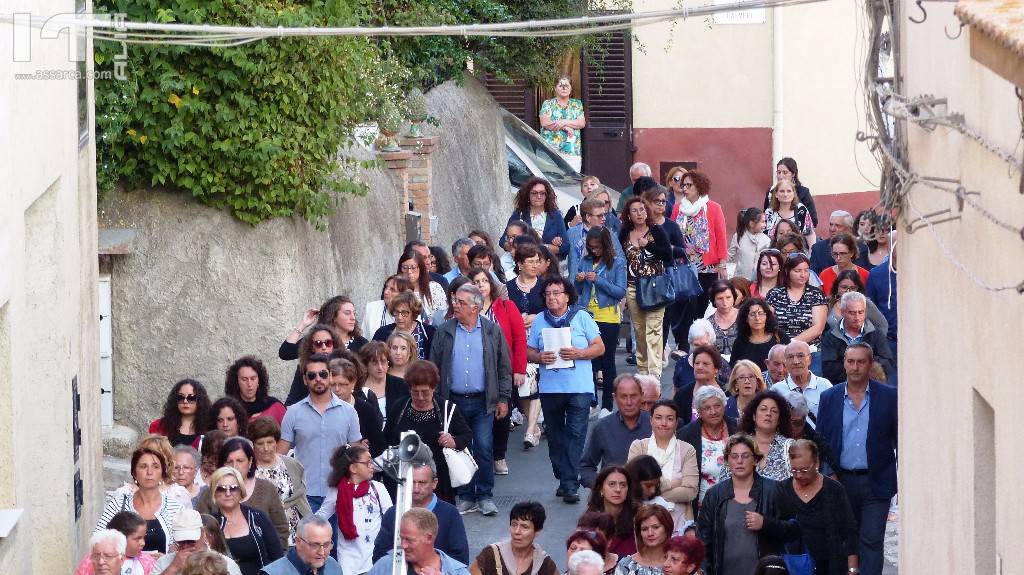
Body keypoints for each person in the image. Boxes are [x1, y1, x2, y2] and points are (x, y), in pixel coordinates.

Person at [429, 283, 513, 515]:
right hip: (452, 401)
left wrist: (503, 398)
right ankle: (465, 495)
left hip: (483, 400)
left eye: (461, 303)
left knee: (484, 447)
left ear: (476, 307)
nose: (455, 305)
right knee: (458, 448)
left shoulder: (491, 331)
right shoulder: (445, 331)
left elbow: (504, 367)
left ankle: (485, 495)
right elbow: (433, 366)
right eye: (455, 301)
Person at [816, 343, 898, 575]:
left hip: (876, 480)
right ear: (844, 364)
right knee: (844, 540)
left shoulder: (889, 397)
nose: (855, 367)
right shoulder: (829, 397)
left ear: (870, 364)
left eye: (861, 362)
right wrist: (829, 474)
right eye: (850, 362)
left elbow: (900, 438)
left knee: (871, 540)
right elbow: (821, 441)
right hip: (841, 480)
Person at [526, 276, 605, 504]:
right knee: (556, 437)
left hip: (578, 386)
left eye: (557, 293)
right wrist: (540, 357)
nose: (552, 297)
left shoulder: (581, 317)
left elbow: (599, 347)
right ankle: (565, 476)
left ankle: (570, 483)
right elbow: (529, 351)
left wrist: (579, 353)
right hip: (551, 388)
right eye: (548, 294)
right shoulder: (540, 320)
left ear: (567, 296)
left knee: (576, 433)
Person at [278, 352, 363, 547]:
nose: (318, 379)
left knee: (334, 552)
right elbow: (280, 456)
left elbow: (358, 456)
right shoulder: (293, 413)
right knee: (304, 551)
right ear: (305, 380)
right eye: (312, 375)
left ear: (331, 376)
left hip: (339, 495)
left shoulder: (349, 412)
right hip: (304, 497)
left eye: (323, 374)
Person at [696, 434, 797, 575]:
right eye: (734, 456)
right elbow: (703, 540)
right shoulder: (714, 495)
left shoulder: (774, 490)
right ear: (727, 461)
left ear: (755, 459)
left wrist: (766, 523)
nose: (739, 461)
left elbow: (794, 530)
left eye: (745, 456)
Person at [383, 360, 473, 504]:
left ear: (434, 388)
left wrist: (453, 441)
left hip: (438, 480)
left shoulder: (446, 409)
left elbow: (467, 435)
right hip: (404, 479)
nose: (420, 397)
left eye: (425, 392)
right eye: (415, 392)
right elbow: (386, 439)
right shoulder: (399, 407)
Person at [467, 267, 527, 477]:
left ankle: (498, 456)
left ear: (491, 284)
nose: (481, 284)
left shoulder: (506, 306)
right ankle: (478, 457)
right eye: (476, 281)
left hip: (503, 371)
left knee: (502, 414)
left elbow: (519, 339)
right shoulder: (467, 310)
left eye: (484, 280)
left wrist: (519, 370)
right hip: (474, 373)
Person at [775, 440, 858, 575]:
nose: (799, 475)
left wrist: (852, 568)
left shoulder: (834, 489)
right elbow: (778, 528)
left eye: (804, 470)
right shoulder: (783, 489)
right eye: (794, 470)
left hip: (831, 565)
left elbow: (849, 530)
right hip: (795, 566)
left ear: (817, 463)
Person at [195, 438, 290, 549]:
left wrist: (274, 561)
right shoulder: (210, 492)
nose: (235, 467)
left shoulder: (267, 489)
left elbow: (281, 529)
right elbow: (199, 528)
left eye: (240, 461)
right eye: (229, 462)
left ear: (250, 462)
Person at [671, 171, 728, 355]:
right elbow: (672, 233)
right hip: (684, 265)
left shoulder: (712, 207)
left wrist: (722, 262)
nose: (685, 189)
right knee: (685, 304)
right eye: (683, 185)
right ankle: (683, 345)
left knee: (704, 305)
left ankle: (704, 345)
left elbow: (720, 235)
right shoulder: (677, 208)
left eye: (689, 185)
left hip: (707, 266)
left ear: (699, 187)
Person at [316, 445, 393, 575]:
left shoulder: (378, 488)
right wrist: (304, 527)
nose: (372, 465)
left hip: (374, 555)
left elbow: (391, 518)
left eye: (371, 462)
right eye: (367, 462)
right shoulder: (337, 491)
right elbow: (322, 515)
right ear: (353, 468)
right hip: (348, 558)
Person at [373, 461, 470, 564]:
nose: (416, 489)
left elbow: (460, 558)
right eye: (412, 482)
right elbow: (379, 555)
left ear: (434, 483)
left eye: (422, 482)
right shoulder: (393, 514)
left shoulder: (450, 514)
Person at [574, 226, 627, 413]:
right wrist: (579, 280)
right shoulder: (585, 261)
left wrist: (598, 279)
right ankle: (591, 401)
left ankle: (607, 405)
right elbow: (576, 291)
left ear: (605, 245)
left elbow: (620, 291)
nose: (594, 250)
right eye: (591, 247)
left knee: (607, 361)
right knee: (589, 360)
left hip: (608, 316)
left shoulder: (617, 262)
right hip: (587, 314)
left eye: (597, 247)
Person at [619, 196, 673, 378]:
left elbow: (668, 256)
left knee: (654, 330)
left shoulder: (656, 231)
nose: (639, 213)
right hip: (633, 287)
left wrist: (648, 245)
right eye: (634, 210)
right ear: (628, 215)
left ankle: (654, 373)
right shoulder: (624, 234)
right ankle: (643, 370)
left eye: (642, 209)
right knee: (640, 332)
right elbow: (620, 261)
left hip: (654, 287)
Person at [96, 447, 184, 553]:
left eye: (155, 467)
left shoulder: (175, 508)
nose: (149, 472)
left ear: (162, 473)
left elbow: (184, 548)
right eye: (143, 466)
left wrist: (165, 560)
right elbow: (98, 539)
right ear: (134, 473)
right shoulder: (119, 504)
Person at [628, 401, 699, 529]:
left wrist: (651, 492)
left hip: (679, 522)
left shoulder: (687, 450)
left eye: (670, 419)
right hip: (642, 521)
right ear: (651, 420)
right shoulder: (638, 447)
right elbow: (634, 485)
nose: (664, 423)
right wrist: (672, 483)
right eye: (658, 418)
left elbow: (690, 491)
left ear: (677, 423)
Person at [248, 417, 313, 547]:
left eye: (270, 442)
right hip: (264, 536)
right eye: (260, 443)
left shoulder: (291, 464)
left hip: (296, 537)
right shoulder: (248, 470)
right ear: (253, 444)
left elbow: (301, 500)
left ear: (276, 442)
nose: (266, 448)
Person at [206, 466, 284, 575]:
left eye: (233, 488)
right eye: (221, 488)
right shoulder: (209, 523)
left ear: (241, 490)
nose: (228, 493)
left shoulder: (258, 517)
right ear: (214, 492)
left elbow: (278, 557)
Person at [580, 375, 652, 488]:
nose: (629, 402)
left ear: (642, 396)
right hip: (612, 499)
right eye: (623, 397)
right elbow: (586, 466)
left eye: (633, 396)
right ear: (614, 398)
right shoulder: (602, 427)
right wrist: (603, 487)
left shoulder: (655, 425)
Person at [674, 386, 736, 515]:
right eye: (707, 408)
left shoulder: (738, 428)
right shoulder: (685, 435)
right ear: (699, 412)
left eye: (717, 406)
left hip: (736, 503)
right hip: (702, 506)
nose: (713, 412)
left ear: (724, 406)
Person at [764, 253, 827, 373]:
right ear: (787, 271)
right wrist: (782, 347)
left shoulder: (815, 294)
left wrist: (790, 344)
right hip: (779, 350)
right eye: (798, 271)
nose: (803, 275)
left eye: (806, 270)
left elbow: (818, 328)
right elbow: (767, 322)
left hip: (809, 351)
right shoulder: (775, 294)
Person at [820, 292, 895, 385]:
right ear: (842, 312)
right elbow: (829, 369)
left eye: (861, 312)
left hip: (873, 387)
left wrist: (854, 367)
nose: (857, 317)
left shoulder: (876, 334)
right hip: (842, 388)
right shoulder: (830, 336)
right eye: (852, 313)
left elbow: (888, 363)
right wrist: (864, 368)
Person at [366, 508, 471, 575]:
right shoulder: (385, 565)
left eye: (409, 540)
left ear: (429, 538)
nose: (403, 545)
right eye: (401, 538)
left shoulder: (458, 572)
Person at [469, 501, 559, 575]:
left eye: (525, 527)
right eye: (514, 525)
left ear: (537, 531)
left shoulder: (545, 564)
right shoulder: (491, 554)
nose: (517, 531)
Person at [151, 510, 244, 575]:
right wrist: (173, 568)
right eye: (182, 542)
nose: (186, 546)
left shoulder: (226, 564)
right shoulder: (164, 563)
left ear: (203, 534)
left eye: (191, 541)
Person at [328, 356, 386, 456]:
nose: (337, 389)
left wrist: (364, 448)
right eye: (332, 384)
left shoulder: (365, 409)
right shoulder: (319, 408)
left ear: (353, 382)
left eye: (342, 384)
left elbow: (378, 446)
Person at [75, 511, 157, 575]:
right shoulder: (93, 559)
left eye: (143, 537)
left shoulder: (147, 562)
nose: (143, 543)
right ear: (120, 537)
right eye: (137, 539)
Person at [504, 177, 568, 258]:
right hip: (521, 263)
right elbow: (503, 241)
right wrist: (515, 248)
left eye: (542, 193)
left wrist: (547, 247)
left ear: (547, 195)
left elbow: (566, 247)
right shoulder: (519, 214)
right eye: (534, 193)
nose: (538, 196)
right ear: (528, 195)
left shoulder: (555, 215)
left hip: (546, 263)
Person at [768, 340, 833, 420]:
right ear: (785, 361)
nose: (796, 361)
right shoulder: (777, 389)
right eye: (790, 357)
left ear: (809, 359)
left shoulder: (824, 386)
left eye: (800, 356)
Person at [281, 323, 342, 406]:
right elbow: (292, 401)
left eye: (328, 343)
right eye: (318, 343)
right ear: (312, 347)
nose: (324, 347)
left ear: (333, 345)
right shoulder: (304, 368)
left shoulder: (343, 367)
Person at [258, 516, 343, 575]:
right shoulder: (273, 573)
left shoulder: (334, 566)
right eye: (314, 545)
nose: (321, 552)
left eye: (326, 545)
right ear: (298, 542)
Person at [738, 392, 794, 482]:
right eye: (763, 409)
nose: (768, 414)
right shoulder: (738, 444)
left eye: (774, 411)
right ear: (754, 416)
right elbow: (725, 483)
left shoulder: (789, 447)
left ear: (779, 419)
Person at [586, 467, 639, 556]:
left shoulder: (638, 517)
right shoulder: (590, 519)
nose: (618, 489)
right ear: (601, 489)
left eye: (623, 485)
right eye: (612, 484)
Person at [539, 75, 586, 171]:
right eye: (560, 86)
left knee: (572, 181)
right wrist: (565, 127)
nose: (564, 88)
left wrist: (563, 122)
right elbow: (545, 122)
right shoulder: (548, 104)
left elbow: (581, 123)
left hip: (572, 151)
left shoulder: (577, 104)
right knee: (549, 181)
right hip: (550, 151)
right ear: (555, 88)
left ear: (571, 88)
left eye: (567, 86)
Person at [784, 392, 838, 475]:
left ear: (805, 418)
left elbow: (831, 475)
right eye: (787, 422)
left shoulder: (817, 442)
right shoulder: (773, 438)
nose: (792, 427)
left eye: (797, 423)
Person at [864, 237, 897, 373]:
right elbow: (871, 310)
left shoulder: (920, 271)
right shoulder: (876, 274)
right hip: (888, 342)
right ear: (890, 248)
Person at [149, 379, 212, 448]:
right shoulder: (159, 426)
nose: (185, 401)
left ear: (200, 400)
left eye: (191, 398)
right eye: (180, 397)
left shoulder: (210, 428)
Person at [671, 344, 725, 425]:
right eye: (697, 363)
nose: (699, 367)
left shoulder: (727, 392)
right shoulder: (682, 395)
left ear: (716, 369)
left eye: (705, 364)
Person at [359, 340, 409, 426]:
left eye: (383, 362)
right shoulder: (358, 388)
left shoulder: (401, 385)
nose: (380, 367)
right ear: (366, 365)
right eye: (375, 363)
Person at [225, 356, 287, 425]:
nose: (249, 384)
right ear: (236, 382)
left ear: (259, 380)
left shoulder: (275, 406)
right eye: (244, 379)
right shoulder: (228, 410)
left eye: (253, 378)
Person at [729, 299, 787, 371]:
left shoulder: (779, 336)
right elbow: (734, 368)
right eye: (752, 314)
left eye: (760, 313)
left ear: (766, 316)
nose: (757, 318)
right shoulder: (741, 341)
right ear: (746, 318)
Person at [614, 505, 673, 575]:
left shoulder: (678, 564)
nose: (650, 533)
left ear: (667, 528)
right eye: (644, 529)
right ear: (639, 533)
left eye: (656, 527)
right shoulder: (626, 564)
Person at [763, 158, 818, 227]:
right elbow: (765, 218)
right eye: (779, 172)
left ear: (793, 174)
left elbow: (813, 220)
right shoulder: (771, 192)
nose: (781, 176)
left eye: (785, 172)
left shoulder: (803, 192)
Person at [397, 249, 448, 321]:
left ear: (421, 268)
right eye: (405, 268)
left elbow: (442, 315)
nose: (409, 272)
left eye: (413, 267)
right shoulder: (396, 288)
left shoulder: (434, 288)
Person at [764, 179, 816, 246]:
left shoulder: (801, 210)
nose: (785, 194)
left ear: (793, 194)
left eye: (789, 191)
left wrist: (811, 253)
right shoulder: (769, 212)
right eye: (782, 191)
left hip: (797, 253)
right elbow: (763, 235)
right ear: (776, 194)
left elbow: (810, 234)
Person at [728, 208, 770, 281]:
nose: (765, 225)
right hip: (740, 279)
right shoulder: (739, 236)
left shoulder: (766, 240)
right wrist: (722, 264)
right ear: (752, 223)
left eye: (765, 222)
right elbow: (730, 255)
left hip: (759, 280)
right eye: (762, 222)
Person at [704, 281, 739, 358]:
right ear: (714, 300)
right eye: (720, 298)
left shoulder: (744, 317)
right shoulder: (708, 323)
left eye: (728, 297)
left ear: (734, 298)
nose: (725, 303)